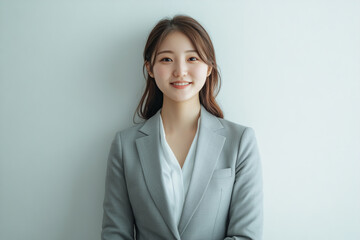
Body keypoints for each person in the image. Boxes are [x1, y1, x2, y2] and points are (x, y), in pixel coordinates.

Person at [101, 14, 263, 240]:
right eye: (166, 59)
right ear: (149, 68)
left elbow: (246, 235)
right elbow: (115, 234)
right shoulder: (124, 146)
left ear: (208, 68)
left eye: (192, 59)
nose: (180, 71)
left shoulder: (241, 141)